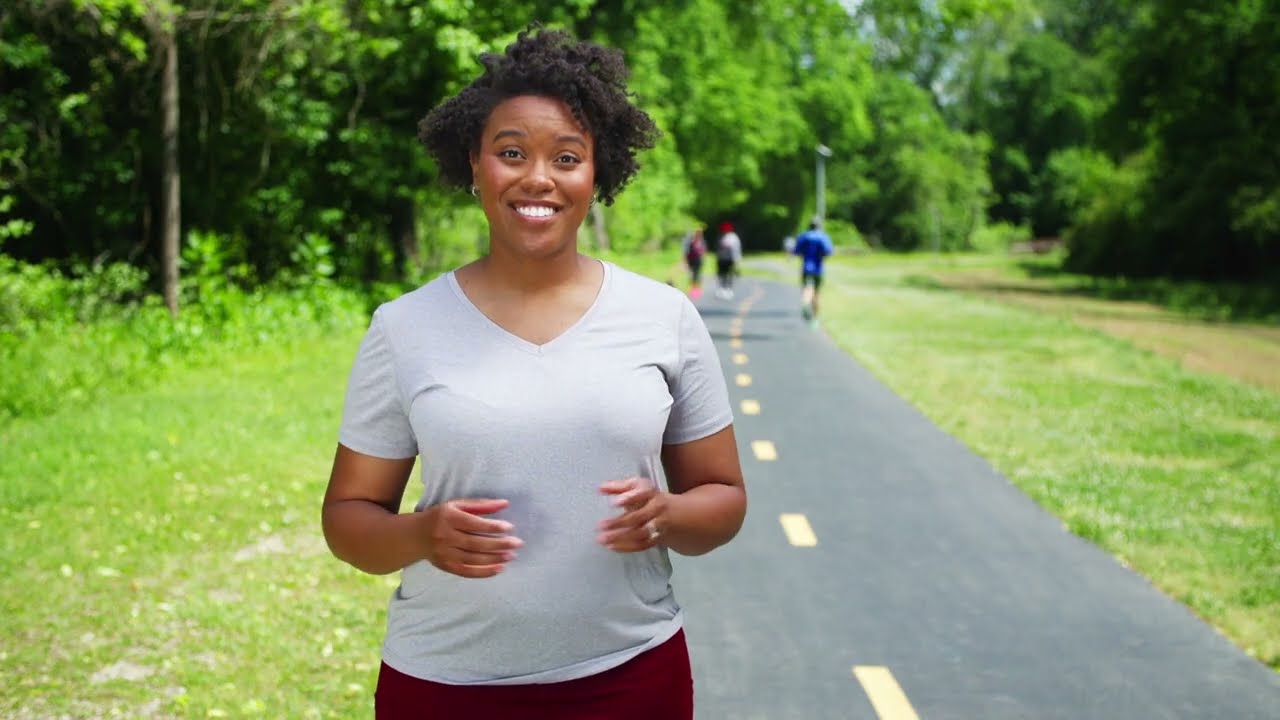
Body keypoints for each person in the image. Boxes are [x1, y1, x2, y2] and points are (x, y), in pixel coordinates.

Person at [321, 25, 747, 720]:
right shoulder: (404, 327)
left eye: (567, 157)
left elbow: (724, 498)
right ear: (475, 163)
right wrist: (422, 535)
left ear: (596, 170)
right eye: (511, 152)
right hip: (443, 685)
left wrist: (668, 515)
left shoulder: (663, 317)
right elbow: (347, 519)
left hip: (630, 676)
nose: (537, 178)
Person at [792, 218, 834, 326]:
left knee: (807, 288)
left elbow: (796, 251)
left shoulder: (804, 236)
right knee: (817, 293)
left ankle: (805, 303)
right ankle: (815, 319)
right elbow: (828, 251)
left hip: (806, 267)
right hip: (818, 269)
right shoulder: (823, 237)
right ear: (819, 226)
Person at [714, 221, 742, 298]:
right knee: (721, 274)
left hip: (730, 259)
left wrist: (737, 260)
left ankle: (728, 289)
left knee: (729, 275)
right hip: (721, 259)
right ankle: (721, 288)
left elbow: (737, 249)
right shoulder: (721, 237)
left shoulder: (733, 237)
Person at [682, 227, 706, 298]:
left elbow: (703, 252)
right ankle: (692, 289)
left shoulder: (702, 242)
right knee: (692, 275)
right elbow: (687, 252)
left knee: (697, 275)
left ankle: (697, 290)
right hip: (692, 260)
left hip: (699, 261)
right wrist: (685, 261)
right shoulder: (691, 242)